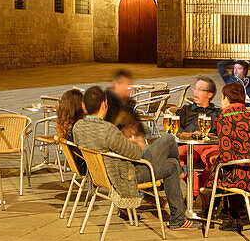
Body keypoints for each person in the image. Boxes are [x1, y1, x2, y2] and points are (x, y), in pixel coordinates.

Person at [73, 84, 201, 232]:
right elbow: (135, 154)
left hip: (101, 175)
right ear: (104, 104)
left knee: (171, 165)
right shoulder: (107, 130)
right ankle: (180, 173)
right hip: (126, 175)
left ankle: (178, 218)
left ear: (85, 106)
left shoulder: (79, 127)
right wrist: (132, 143)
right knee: (168, 140)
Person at [205, 81, 250, 224]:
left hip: (239, 178)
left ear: (226, 98)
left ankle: (224, 215)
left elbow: (227, 155)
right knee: (226, 166)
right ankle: (228, 211)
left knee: (219, 168)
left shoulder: (224, 120)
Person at [177, 76, 221, 196]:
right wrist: (191, 135)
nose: (195, 92)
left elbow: (221, 134)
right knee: (176, 157)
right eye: (195, 89)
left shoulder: (217, 113)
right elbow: (176, 130)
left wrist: (210, 136)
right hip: (189, 146)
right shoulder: (185, 110)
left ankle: (204, 188)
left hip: (208, 147)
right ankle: (196, 192)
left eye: (200, 90)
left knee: (218, 158)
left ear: (210, 94)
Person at [104, 69, 145, 139]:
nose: (130, 90)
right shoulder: (106, 103)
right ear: (117, 85)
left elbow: (141, 129)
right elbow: (105, 131)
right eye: (127, 86)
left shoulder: (127, 103)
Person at [55, 87, 87, 174]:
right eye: (83, 102)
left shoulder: (65, 126)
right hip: (88, 167)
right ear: (77, 106)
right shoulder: (78, 128)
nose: (85, 105)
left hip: (78, 165)